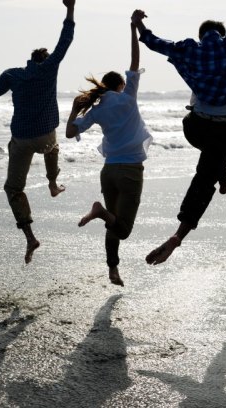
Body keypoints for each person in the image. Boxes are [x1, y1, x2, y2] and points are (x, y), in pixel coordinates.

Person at [133, 0, 226, 265]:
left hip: (192, 128)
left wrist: (139, 24)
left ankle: (224, 178)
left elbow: (155, 43)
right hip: (222, 130)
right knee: (204, 177)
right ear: (220, 33)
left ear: (202, 33)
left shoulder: (189, 49)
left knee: (213, 161)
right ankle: (178, 236)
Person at [0, 0, 75, 264]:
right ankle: (52, 183)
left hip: (22, 139)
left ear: (29, 59)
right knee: (52, 146)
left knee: (14, 189)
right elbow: (64, 43)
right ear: (45, 60)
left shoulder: (13, 74)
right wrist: (70, 9)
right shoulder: (50, 69)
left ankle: (29, 236)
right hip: (45, 136)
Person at [65, 16, 152, 286]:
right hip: (130, 172)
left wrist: (74, 110)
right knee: (122, 228)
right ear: (121, 86)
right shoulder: (128, 98)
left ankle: (113, 270)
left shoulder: (97, 109)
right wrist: (133, 28)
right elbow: (135, 61)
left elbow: (69, 132)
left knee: (112, 221)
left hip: (109, 171)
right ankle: (99, 212)